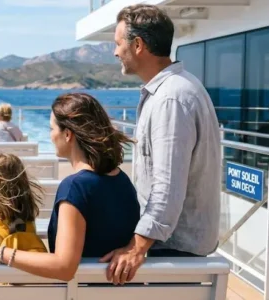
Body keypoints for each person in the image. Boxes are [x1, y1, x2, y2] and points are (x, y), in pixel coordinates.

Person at [0, 93, 140, 281]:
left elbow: (64, 267)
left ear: (67, 134)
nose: (50, 136)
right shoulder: (122, 179)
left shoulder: (76, 187)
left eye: (51, 129)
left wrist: (0, 253)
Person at [99, 3, 222, 285]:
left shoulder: (170, 99)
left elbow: (167, 184)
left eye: (118, 44)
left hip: (173, 250)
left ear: (138, 45)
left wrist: (136, 247)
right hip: (170, 245)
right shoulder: (177, 88)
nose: (115, 52)